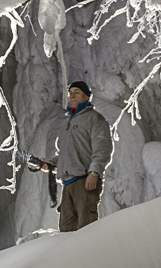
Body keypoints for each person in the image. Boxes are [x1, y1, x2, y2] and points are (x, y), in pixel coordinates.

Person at [39, 81, 113, 232]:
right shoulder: (68, 123)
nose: (72, 96)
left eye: (77, 92)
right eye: (70, 93)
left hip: (86, 182)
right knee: (66, 230)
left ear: (87, 96)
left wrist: (94, 172)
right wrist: (52, 163)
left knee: (87, 228)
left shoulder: (94, 119)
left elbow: (103, 148)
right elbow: (65, 154)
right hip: (68, 185)